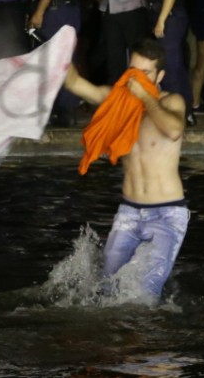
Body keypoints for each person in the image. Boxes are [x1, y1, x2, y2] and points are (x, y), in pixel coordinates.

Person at [62, 38, 188, 303]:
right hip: (129, 212)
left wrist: (145, 98)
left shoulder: (171, 102)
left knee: (144, 297)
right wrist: (60, 49)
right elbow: (73, 83)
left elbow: (174, 130)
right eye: (133, 71)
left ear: (160, 76)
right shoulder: (117, 100)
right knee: (107, 293)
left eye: (145, 74)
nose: (137, 79)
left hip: (166, 215)